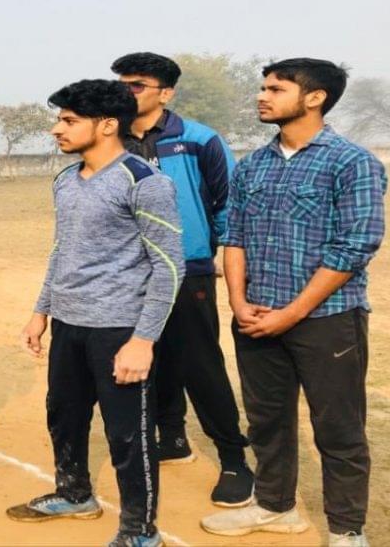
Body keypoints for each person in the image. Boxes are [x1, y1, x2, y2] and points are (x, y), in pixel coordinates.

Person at [201, 58, 385, 547]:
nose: (262, 96)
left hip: (326, 319)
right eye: (263, 87)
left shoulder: (352, 162)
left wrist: (294, 312)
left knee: (339, 429)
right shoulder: (253, 165)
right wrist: (238, 304)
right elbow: (233, 236)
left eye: (275, 88)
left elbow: (355, 245)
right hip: (256, 316)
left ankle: (348, 529)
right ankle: (274, 506)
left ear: (315, 97)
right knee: (266, 420)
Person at [7, 80, 184, 547]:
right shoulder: (65, 180)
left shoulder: (146, 183)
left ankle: (140, 531)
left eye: (68, 121)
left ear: (107, 125)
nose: (55, 130)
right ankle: (75, 493)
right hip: (69, 322)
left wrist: (142, 340)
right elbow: (63, 249)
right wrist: (40, 311)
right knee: (64, 415)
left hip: (120, 329)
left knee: (128, 435)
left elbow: (169, 267)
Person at [110, 52, 253, 506]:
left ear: (166, 92)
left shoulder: (198, 139)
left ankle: (233, 458)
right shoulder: (108, 138)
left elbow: (230, 206)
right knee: (146, 357)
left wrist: (221, 262)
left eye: (136, 85)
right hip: (126, 272)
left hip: (185, 269)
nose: (125, 92)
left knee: (199, 363)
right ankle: (171, 437)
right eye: (120, 84)